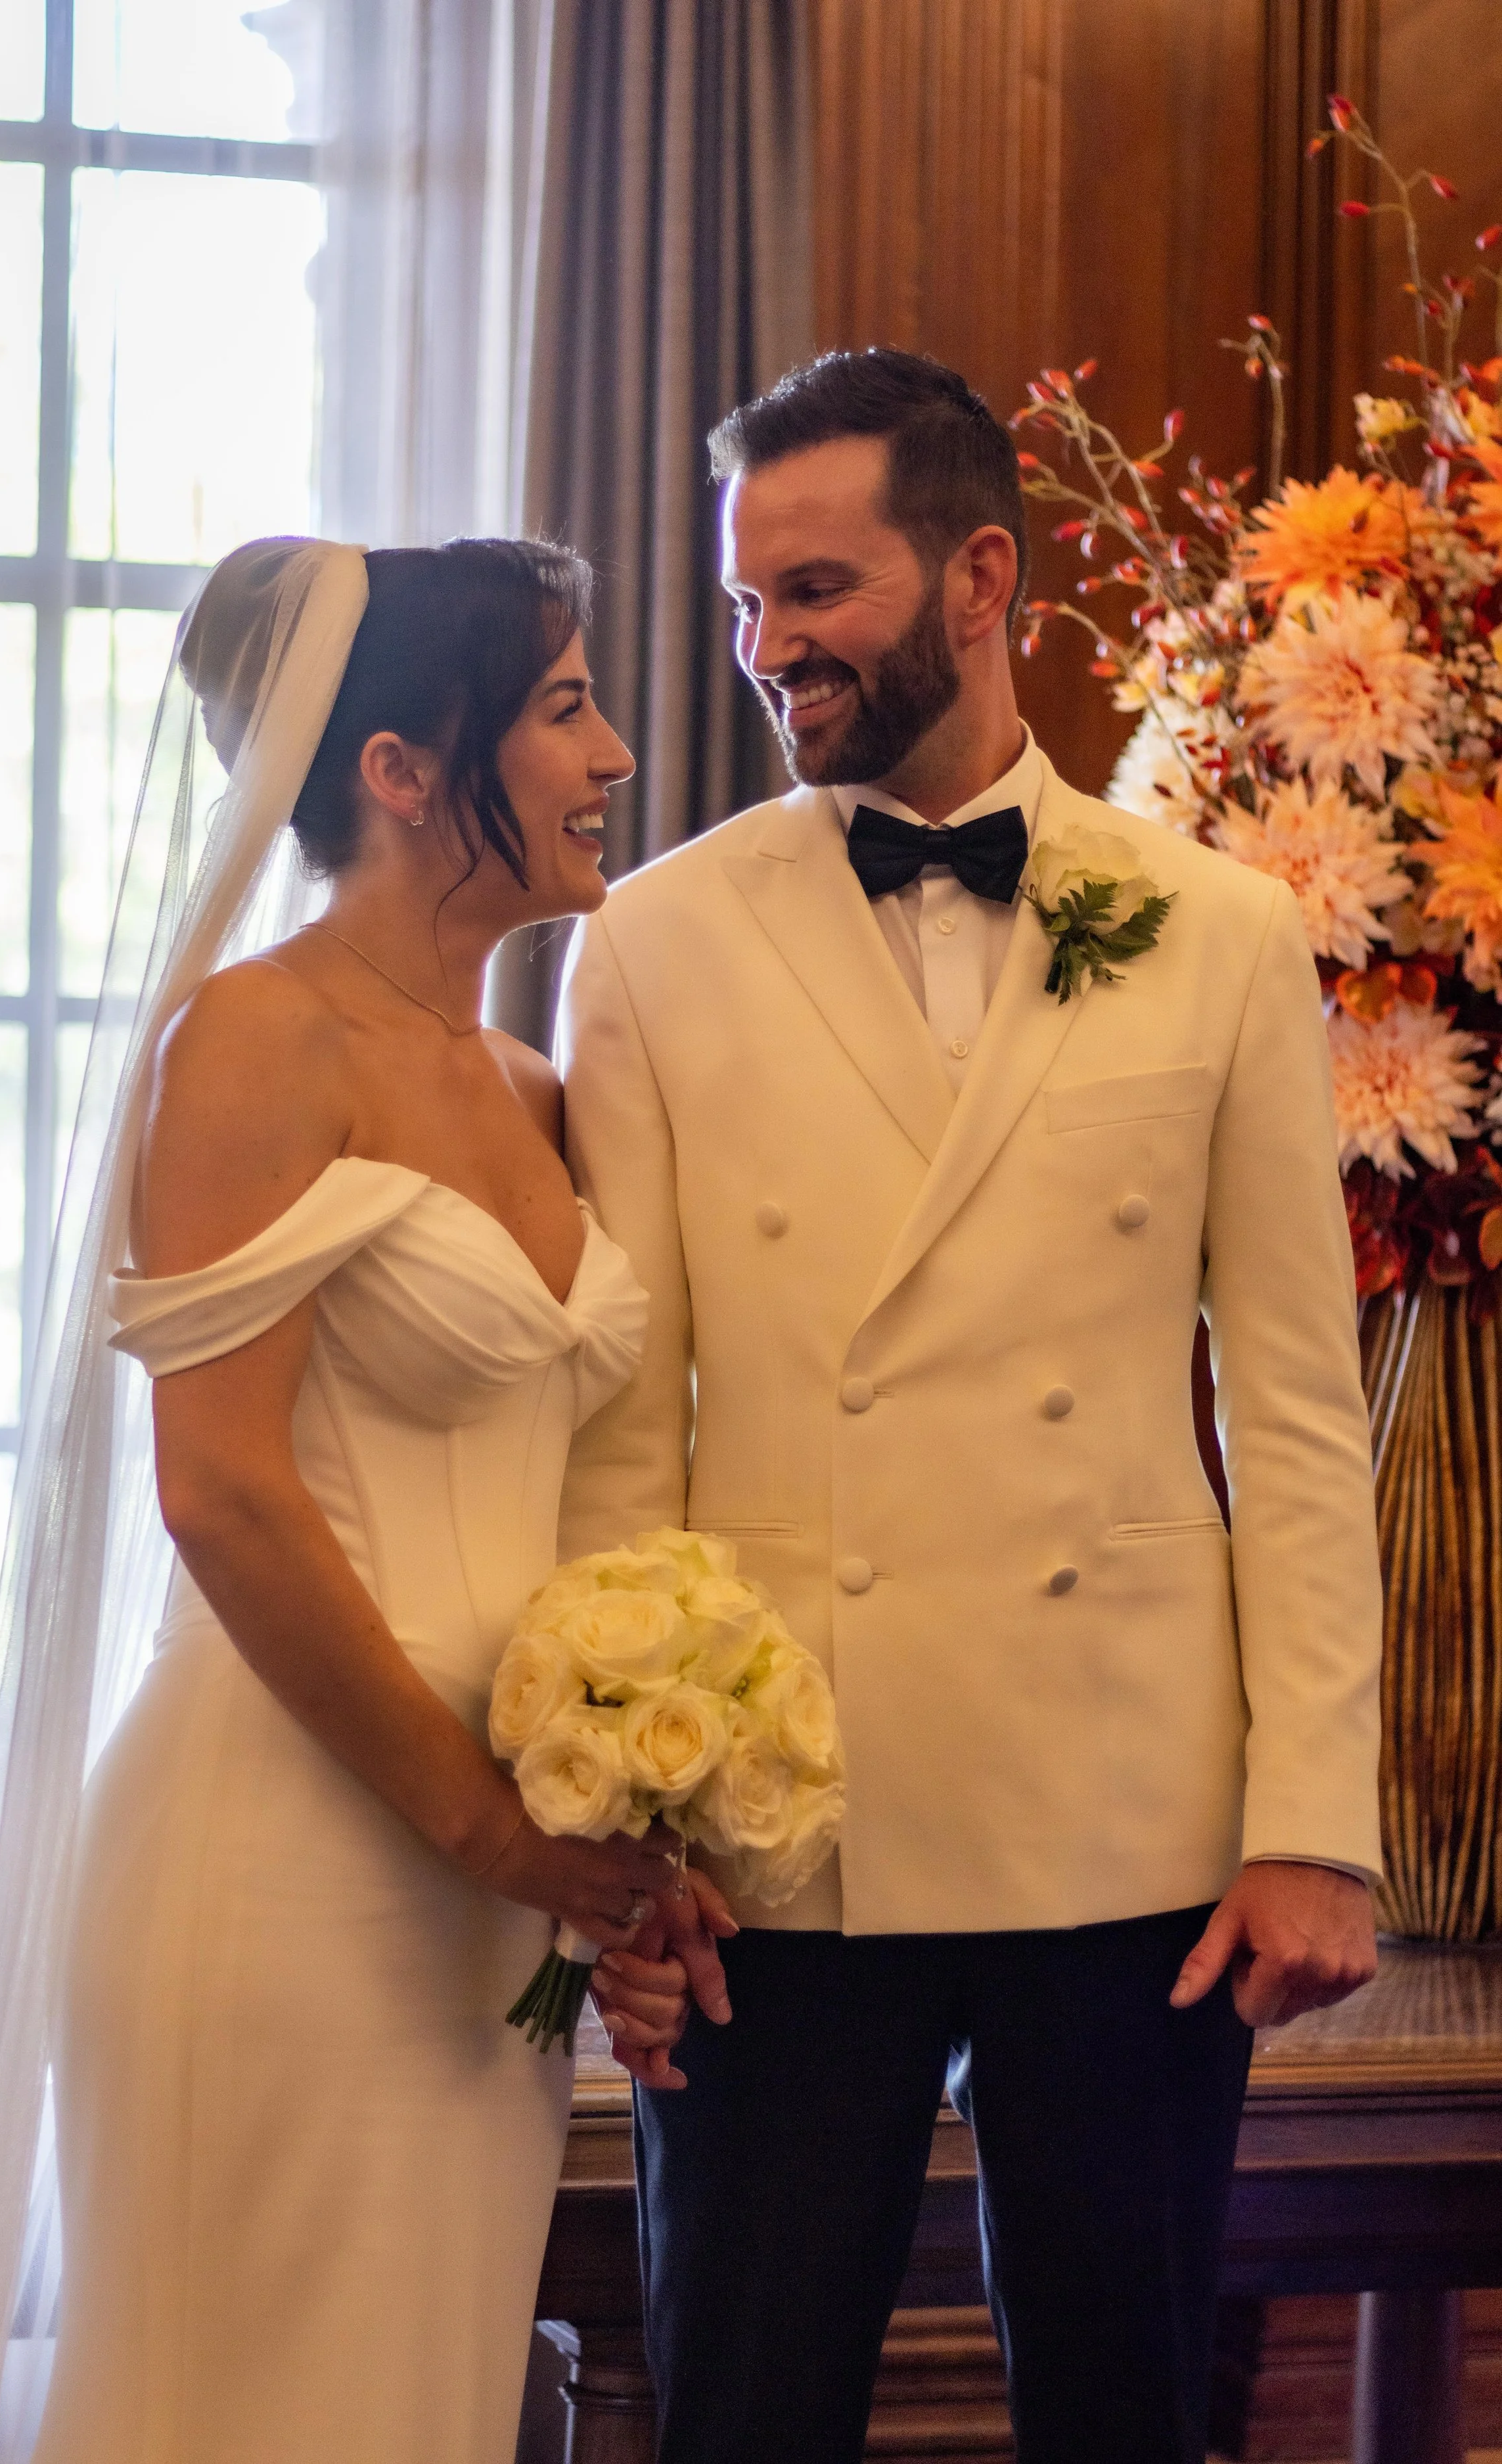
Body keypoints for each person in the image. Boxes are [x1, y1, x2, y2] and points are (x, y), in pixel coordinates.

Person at [556, 350, 1384, 2464]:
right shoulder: (650, 944)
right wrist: (625, 1833)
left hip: (1122, 1805)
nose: (771, 651)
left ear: (982, 574)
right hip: (772, 1814)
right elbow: (621, 1428)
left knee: (1122, 2401)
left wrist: (1310, 1824)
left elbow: (1292, 1408)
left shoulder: (1215, 931)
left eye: (816, 589)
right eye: (748, 604)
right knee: (745, 2401)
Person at [0, 536, 727, 2464]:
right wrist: (486, 1827)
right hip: (280, 1857)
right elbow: (224, 1491)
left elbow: (592, 1496)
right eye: (567, 707)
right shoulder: (253, 1040)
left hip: (488, 1920)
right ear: (405, 769)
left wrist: (602, 1841)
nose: (613, 759)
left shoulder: (528, 1081)